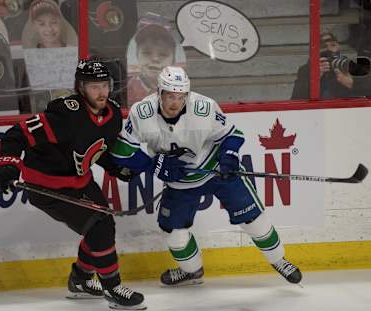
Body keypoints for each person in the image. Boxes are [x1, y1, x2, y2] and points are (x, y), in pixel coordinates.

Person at [111, 66, 302, 287]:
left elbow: (231, 135)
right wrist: (155, 164)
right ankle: (191, 271)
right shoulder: (141, 112)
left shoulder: (204, 107)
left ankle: (279, 260)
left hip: (216, 171)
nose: (175, 103)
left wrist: (229, 157)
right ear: (159, 92)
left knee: (254, 220)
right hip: (179, 182)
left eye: (181, 97)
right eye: (170, 96)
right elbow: (121, 152)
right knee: (174, 235)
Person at [0, 59, 146, 311]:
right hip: (49, 188)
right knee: (99, 226)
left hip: (81, 181)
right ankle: (112, 287)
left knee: (102, 224)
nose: (101, 92)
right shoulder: (66, 114)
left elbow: (99, 147)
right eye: (93, 86)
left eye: (104, 85)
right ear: (80, 88)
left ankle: (82, 280)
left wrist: (116, 168)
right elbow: (18, 134)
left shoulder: (112, 114)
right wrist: (7, 164)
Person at [291, 32, 371, 99]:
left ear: (338, 46)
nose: (329, 49)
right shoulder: (306, 70)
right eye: (324, 46)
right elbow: (296, 99)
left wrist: (352, 84)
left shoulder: (347, 65)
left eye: (333, 45)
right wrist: (314, 79)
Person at [127, 14, 180, 106]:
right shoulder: (128, 90)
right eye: (147, 53)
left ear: (173, 60)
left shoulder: (180, 88)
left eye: (163, 54)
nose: (155, 59)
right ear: (137, 56)